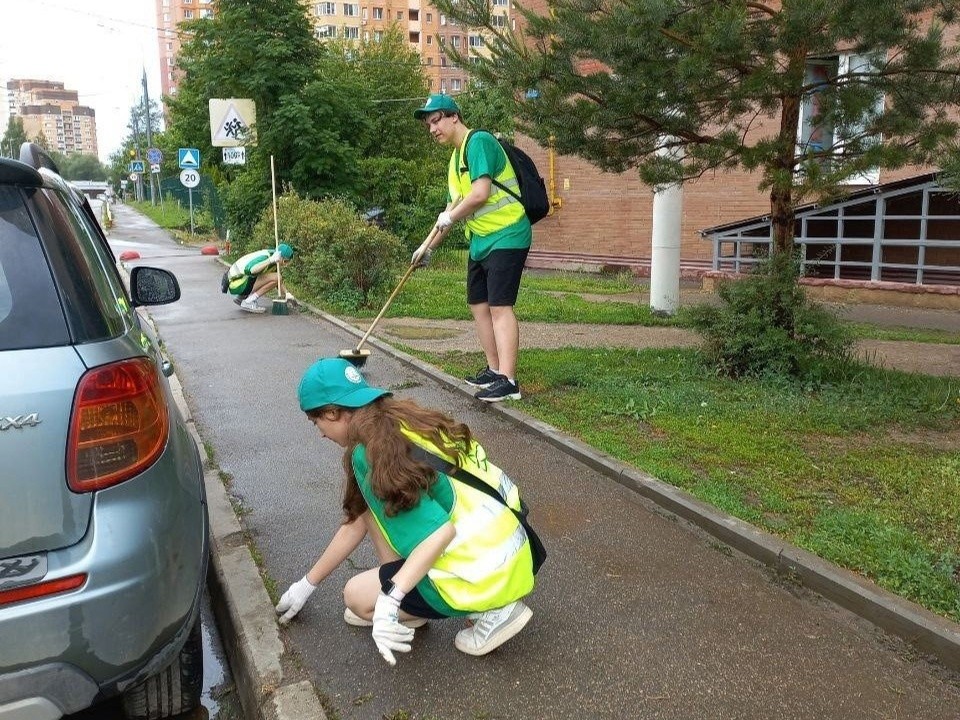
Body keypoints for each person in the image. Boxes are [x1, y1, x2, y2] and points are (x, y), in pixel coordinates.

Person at [275, 357, 536, 665]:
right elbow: (360, 519)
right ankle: (418, 608)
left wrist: (391, 599)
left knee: (357, 597)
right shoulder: (399, 420)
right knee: (371, 511)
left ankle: (493, 610)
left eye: (315, 421)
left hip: (484, 571)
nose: (319, 432)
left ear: (333, 412)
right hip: (513, 550)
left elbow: (441, 532)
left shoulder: (370, 452)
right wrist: (307, 584)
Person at [411, 94, 532, 402]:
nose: (432, 129)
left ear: (454, 117)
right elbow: (450, 209)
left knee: (499, 306)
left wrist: (449, 216)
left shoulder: (478, 142)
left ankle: (509, 380)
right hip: (481, 241)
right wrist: (427, 247)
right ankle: (494, 370)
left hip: (507, 234)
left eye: (436, 120)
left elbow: (479, 194)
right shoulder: (455, 160)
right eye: (428, 125)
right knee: (478, 304)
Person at [226, 243, 294, 313]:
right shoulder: (266, 257)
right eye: (285, 261)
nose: (286, 265)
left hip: (240, 281)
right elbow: (252, 270)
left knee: (276, 277)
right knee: (277, 276)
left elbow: (278, 281)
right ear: (280, 257)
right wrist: (270, 260)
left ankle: (242, 298)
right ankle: (249, 301)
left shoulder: (273, 260)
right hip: (236, 283)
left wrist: (287, 293)